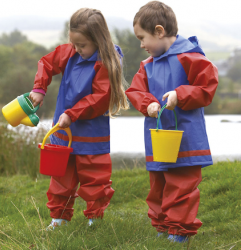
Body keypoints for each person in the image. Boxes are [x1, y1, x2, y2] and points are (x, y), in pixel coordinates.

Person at [126, 1, 218, 243]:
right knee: (157, 185)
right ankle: (161, 227)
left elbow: (206, 87)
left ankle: (179, 232)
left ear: (159, 31)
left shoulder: (191, 57)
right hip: (158, 139)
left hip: (186, 139)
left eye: (142, 37)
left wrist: (181, 94)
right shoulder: (146, 66)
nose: (141, 44)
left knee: (181, 185)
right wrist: (148, 103)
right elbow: (135, 91)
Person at [30, 8, 129, 230]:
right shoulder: (70, 53)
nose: (77, 49)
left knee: (95, 179)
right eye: (74, 44)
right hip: (63, 132)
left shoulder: (106, 62)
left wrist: (72, 114)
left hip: (91, 133)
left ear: (98, 40)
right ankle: (60, 219)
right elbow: (46, 63)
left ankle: (94, 219)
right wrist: (39, 88)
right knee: (60, 178)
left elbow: (100, 98)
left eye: (82, 45)